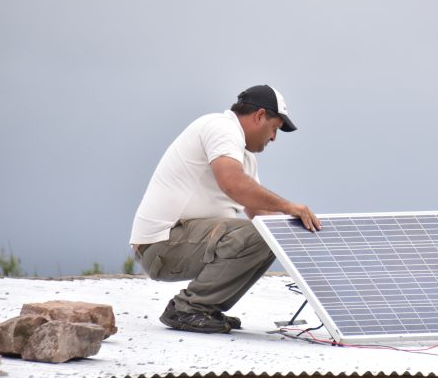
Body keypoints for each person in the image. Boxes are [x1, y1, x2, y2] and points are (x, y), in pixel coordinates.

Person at [129, 85, 321, 334]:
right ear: (259, 115)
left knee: (272, 235)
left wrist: (300, 241)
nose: (273, 138)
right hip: (162, 244)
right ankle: (188, 309)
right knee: (264, 236)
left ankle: (206, 308)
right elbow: (233, 184)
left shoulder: (244, 156)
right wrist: (289, 207)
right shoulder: (220, 127)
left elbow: (260, 213)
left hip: (181, 244)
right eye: (274, 128)